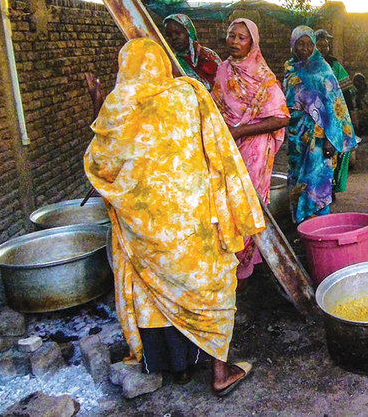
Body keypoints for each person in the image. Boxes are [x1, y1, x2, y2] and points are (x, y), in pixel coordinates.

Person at [84, 38, 262, 396]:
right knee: (209, 286)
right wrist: (234, 203)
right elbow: (219, 150)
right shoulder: (188, 94)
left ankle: (175, 368)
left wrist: (97, 102)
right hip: (194, 224)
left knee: (152, 292)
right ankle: (218, 371)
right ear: (162, 64)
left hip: (145, 229)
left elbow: (101, 163)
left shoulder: (117, 107)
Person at [211, 18, 290, 281]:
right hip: (225, 146)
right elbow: (215, 110)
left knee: (248, 203)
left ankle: (244, 262)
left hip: (253, 148)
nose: (234, 42)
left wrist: (239, 132)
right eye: (231, 35)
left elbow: (281, 117)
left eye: (241, 37)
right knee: (226, 203)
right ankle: (229, 259)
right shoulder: (222, 70)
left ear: (252, 42)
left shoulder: (263, 76)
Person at [284, 26, 357, 223]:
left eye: (310, 44)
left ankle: (319, 228)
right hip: (296, 137)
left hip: (319, 138)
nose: (305, 49)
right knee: (298, 180)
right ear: (292, 45)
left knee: (316, 183)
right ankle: (302, 225)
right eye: (300, 43)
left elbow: (334, 106)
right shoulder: (290, 69)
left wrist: (330, 141)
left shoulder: (323, 70)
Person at [315, 28, 354, 193]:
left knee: (333, 152)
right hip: (314, 116)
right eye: (320, 45)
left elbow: (345, 93)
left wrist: (351, 115)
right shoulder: (308, 65)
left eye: (326, 45)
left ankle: (330, 186)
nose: (324, 49)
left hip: (334, 115)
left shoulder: (334, 65)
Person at [163, 14, 221, 90]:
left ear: (188, 31)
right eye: (169, 35)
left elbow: (224, 84)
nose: (174, 38)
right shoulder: (171, 64)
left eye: (178, 33)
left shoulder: (208, 56)